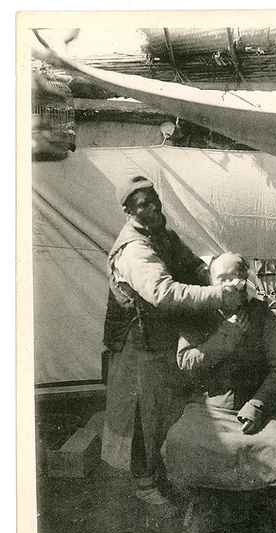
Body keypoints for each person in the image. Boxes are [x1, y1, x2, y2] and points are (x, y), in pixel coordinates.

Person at [101, 175, 241, 505]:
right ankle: (143, 482)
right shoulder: (134, 249)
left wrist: (215, 275)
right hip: (138, 344)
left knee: (166, 411)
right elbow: (162, 293)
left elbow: (191, 266)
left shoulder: (163, 236)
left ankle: (161, 472)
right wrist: (219, 295)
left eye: (154, 200)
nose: (152, 207)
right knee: (142, 414)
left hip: (162, 340)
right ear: (127, 211)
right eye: (142, 204)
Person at [162, 252, 276, 533]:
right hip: (210, 407)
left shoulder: (261, 314)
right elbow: (185, 361)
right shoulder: (198, 312)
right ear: (211, 282)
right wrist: (227, 336)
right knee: (180, 440)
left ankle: (264, 512)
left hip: (259, 406)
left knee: (273, 444)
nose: (231, 283)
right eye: (222, 278)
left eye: (236, 276)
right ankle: (204, 508)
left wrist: (258, 404)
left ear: (246, 279)